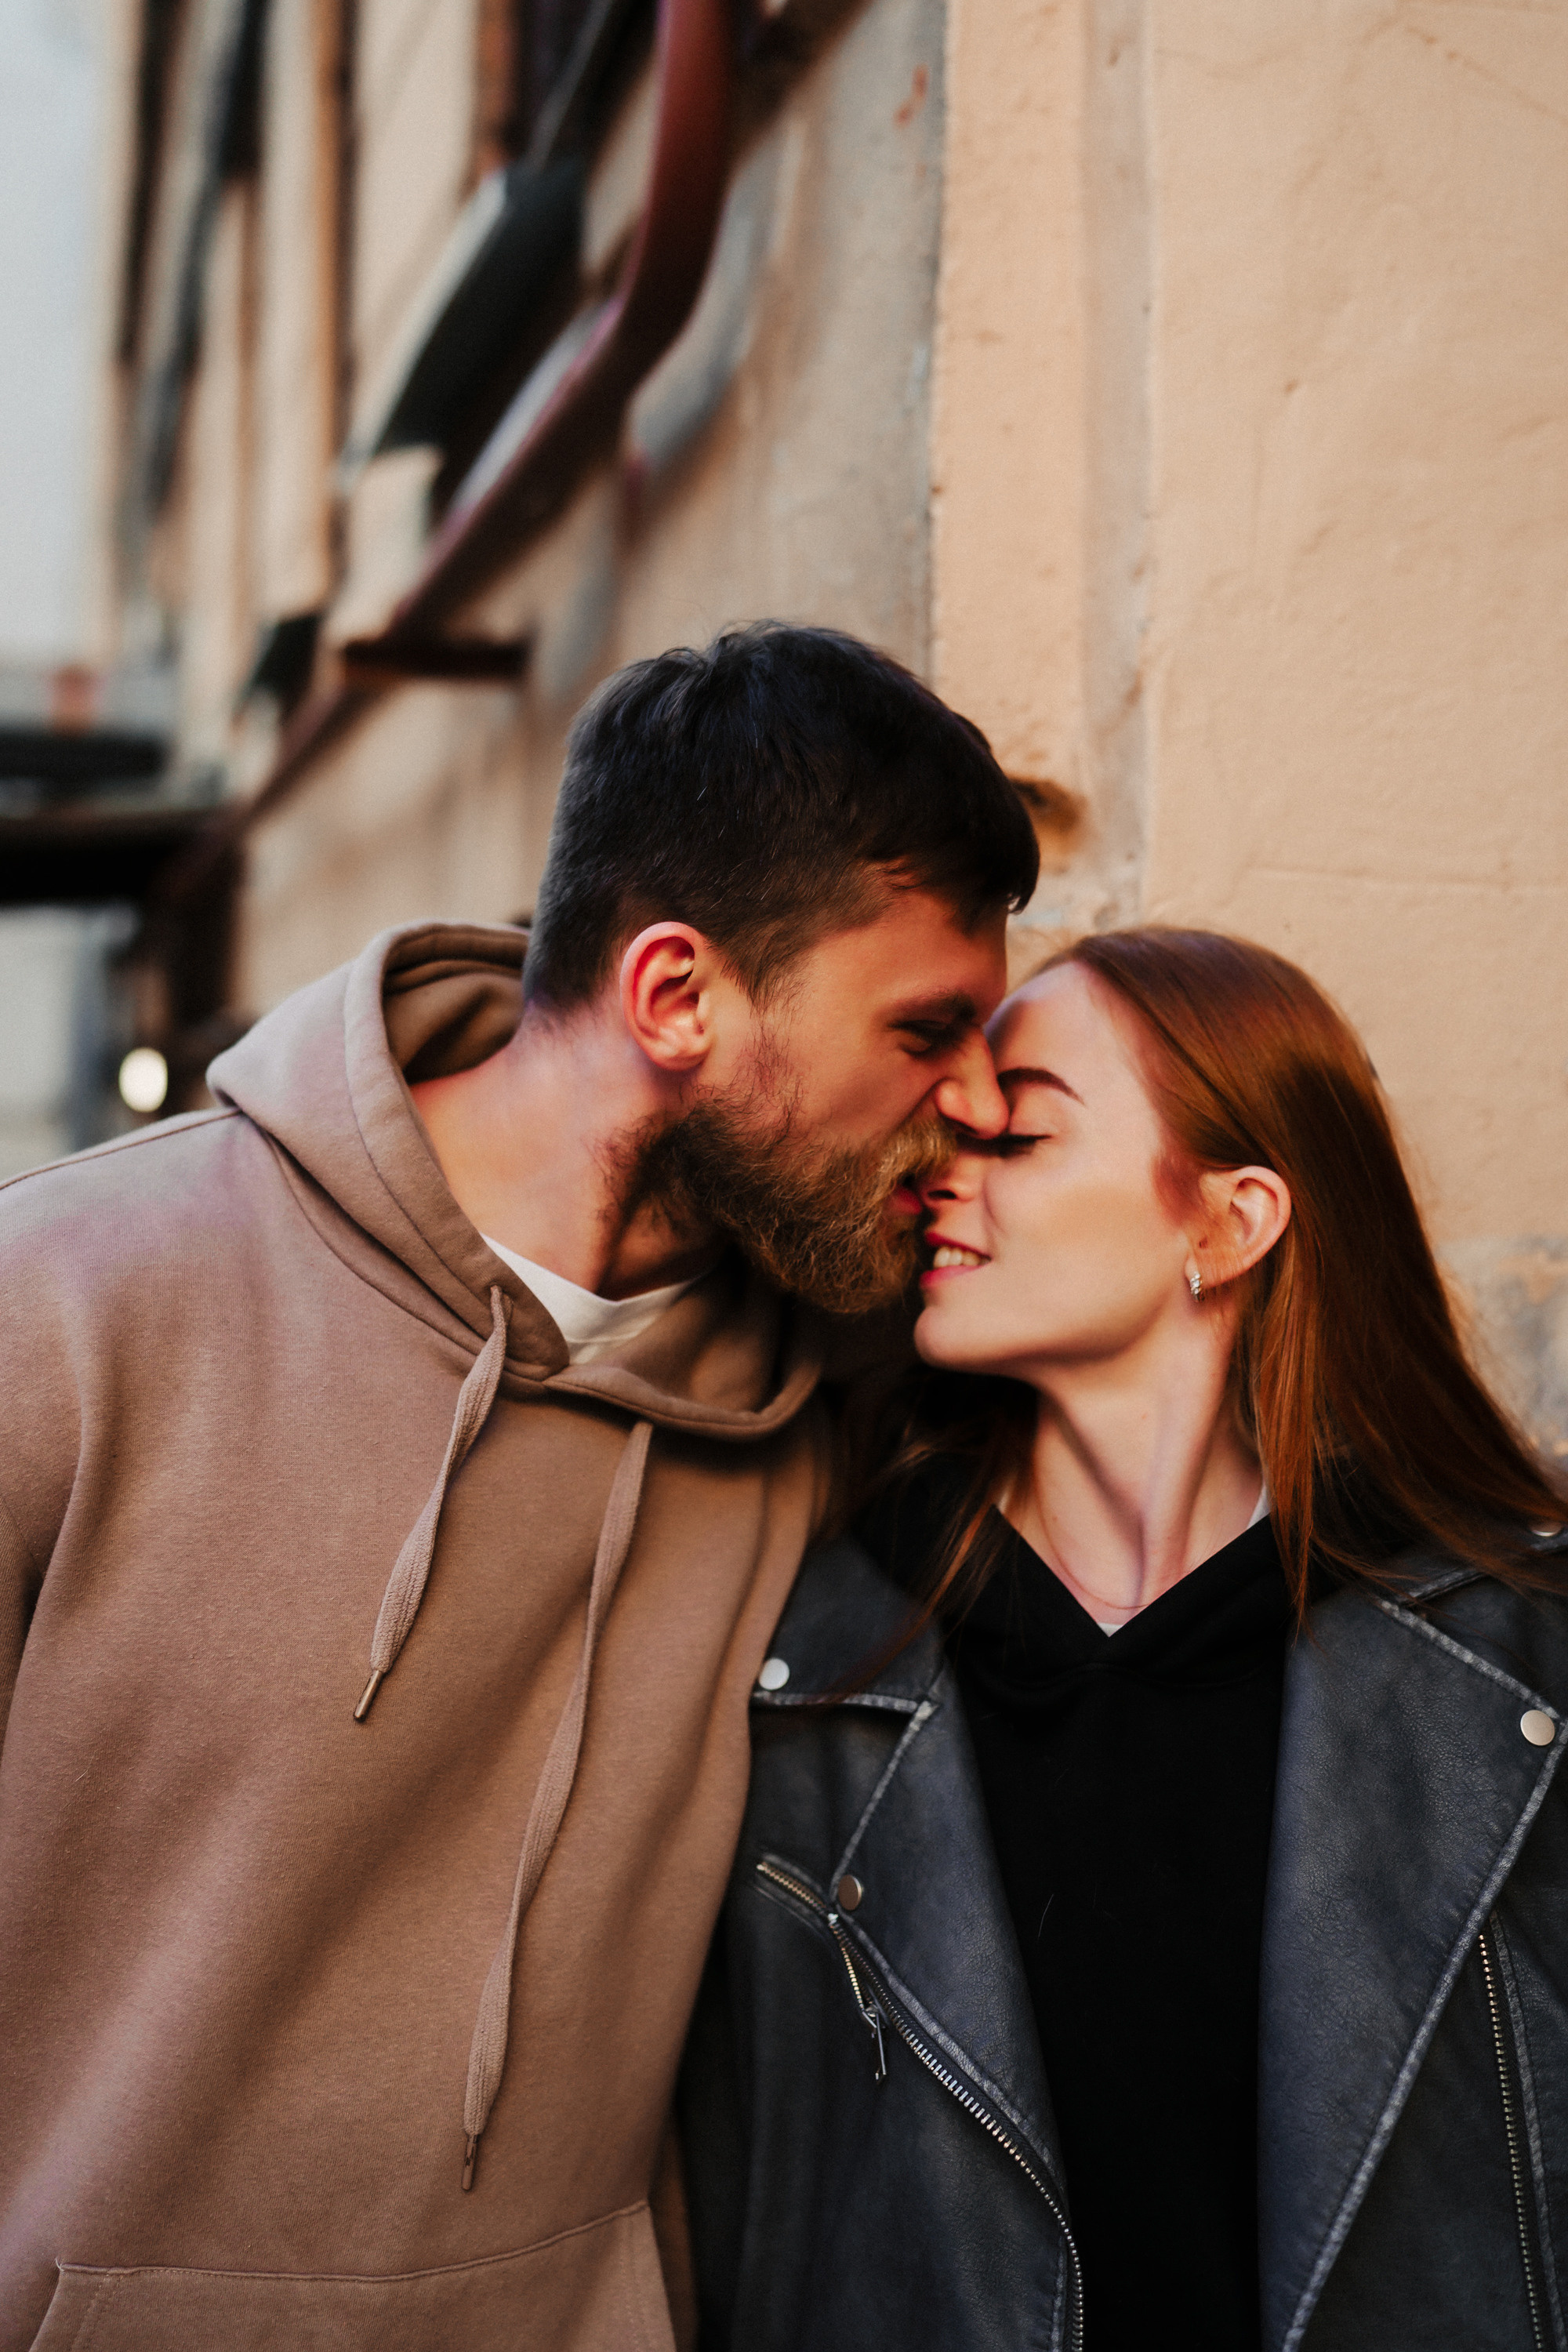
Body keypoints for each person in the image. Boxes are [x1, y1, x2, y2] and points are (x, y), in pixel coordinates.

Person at [0, 623, 1038, 2352]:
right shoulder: (65, 1305)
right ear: (677, 997)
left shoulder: (823, 1391)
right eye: (929, 1029)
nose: (981, 1096)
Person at [681, 926, 1568, 2352]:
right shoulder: (811, 1666)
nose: (941, 1171)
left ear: (1228, 1223)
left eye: (1019, 1135)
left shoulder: (1517, 1665)